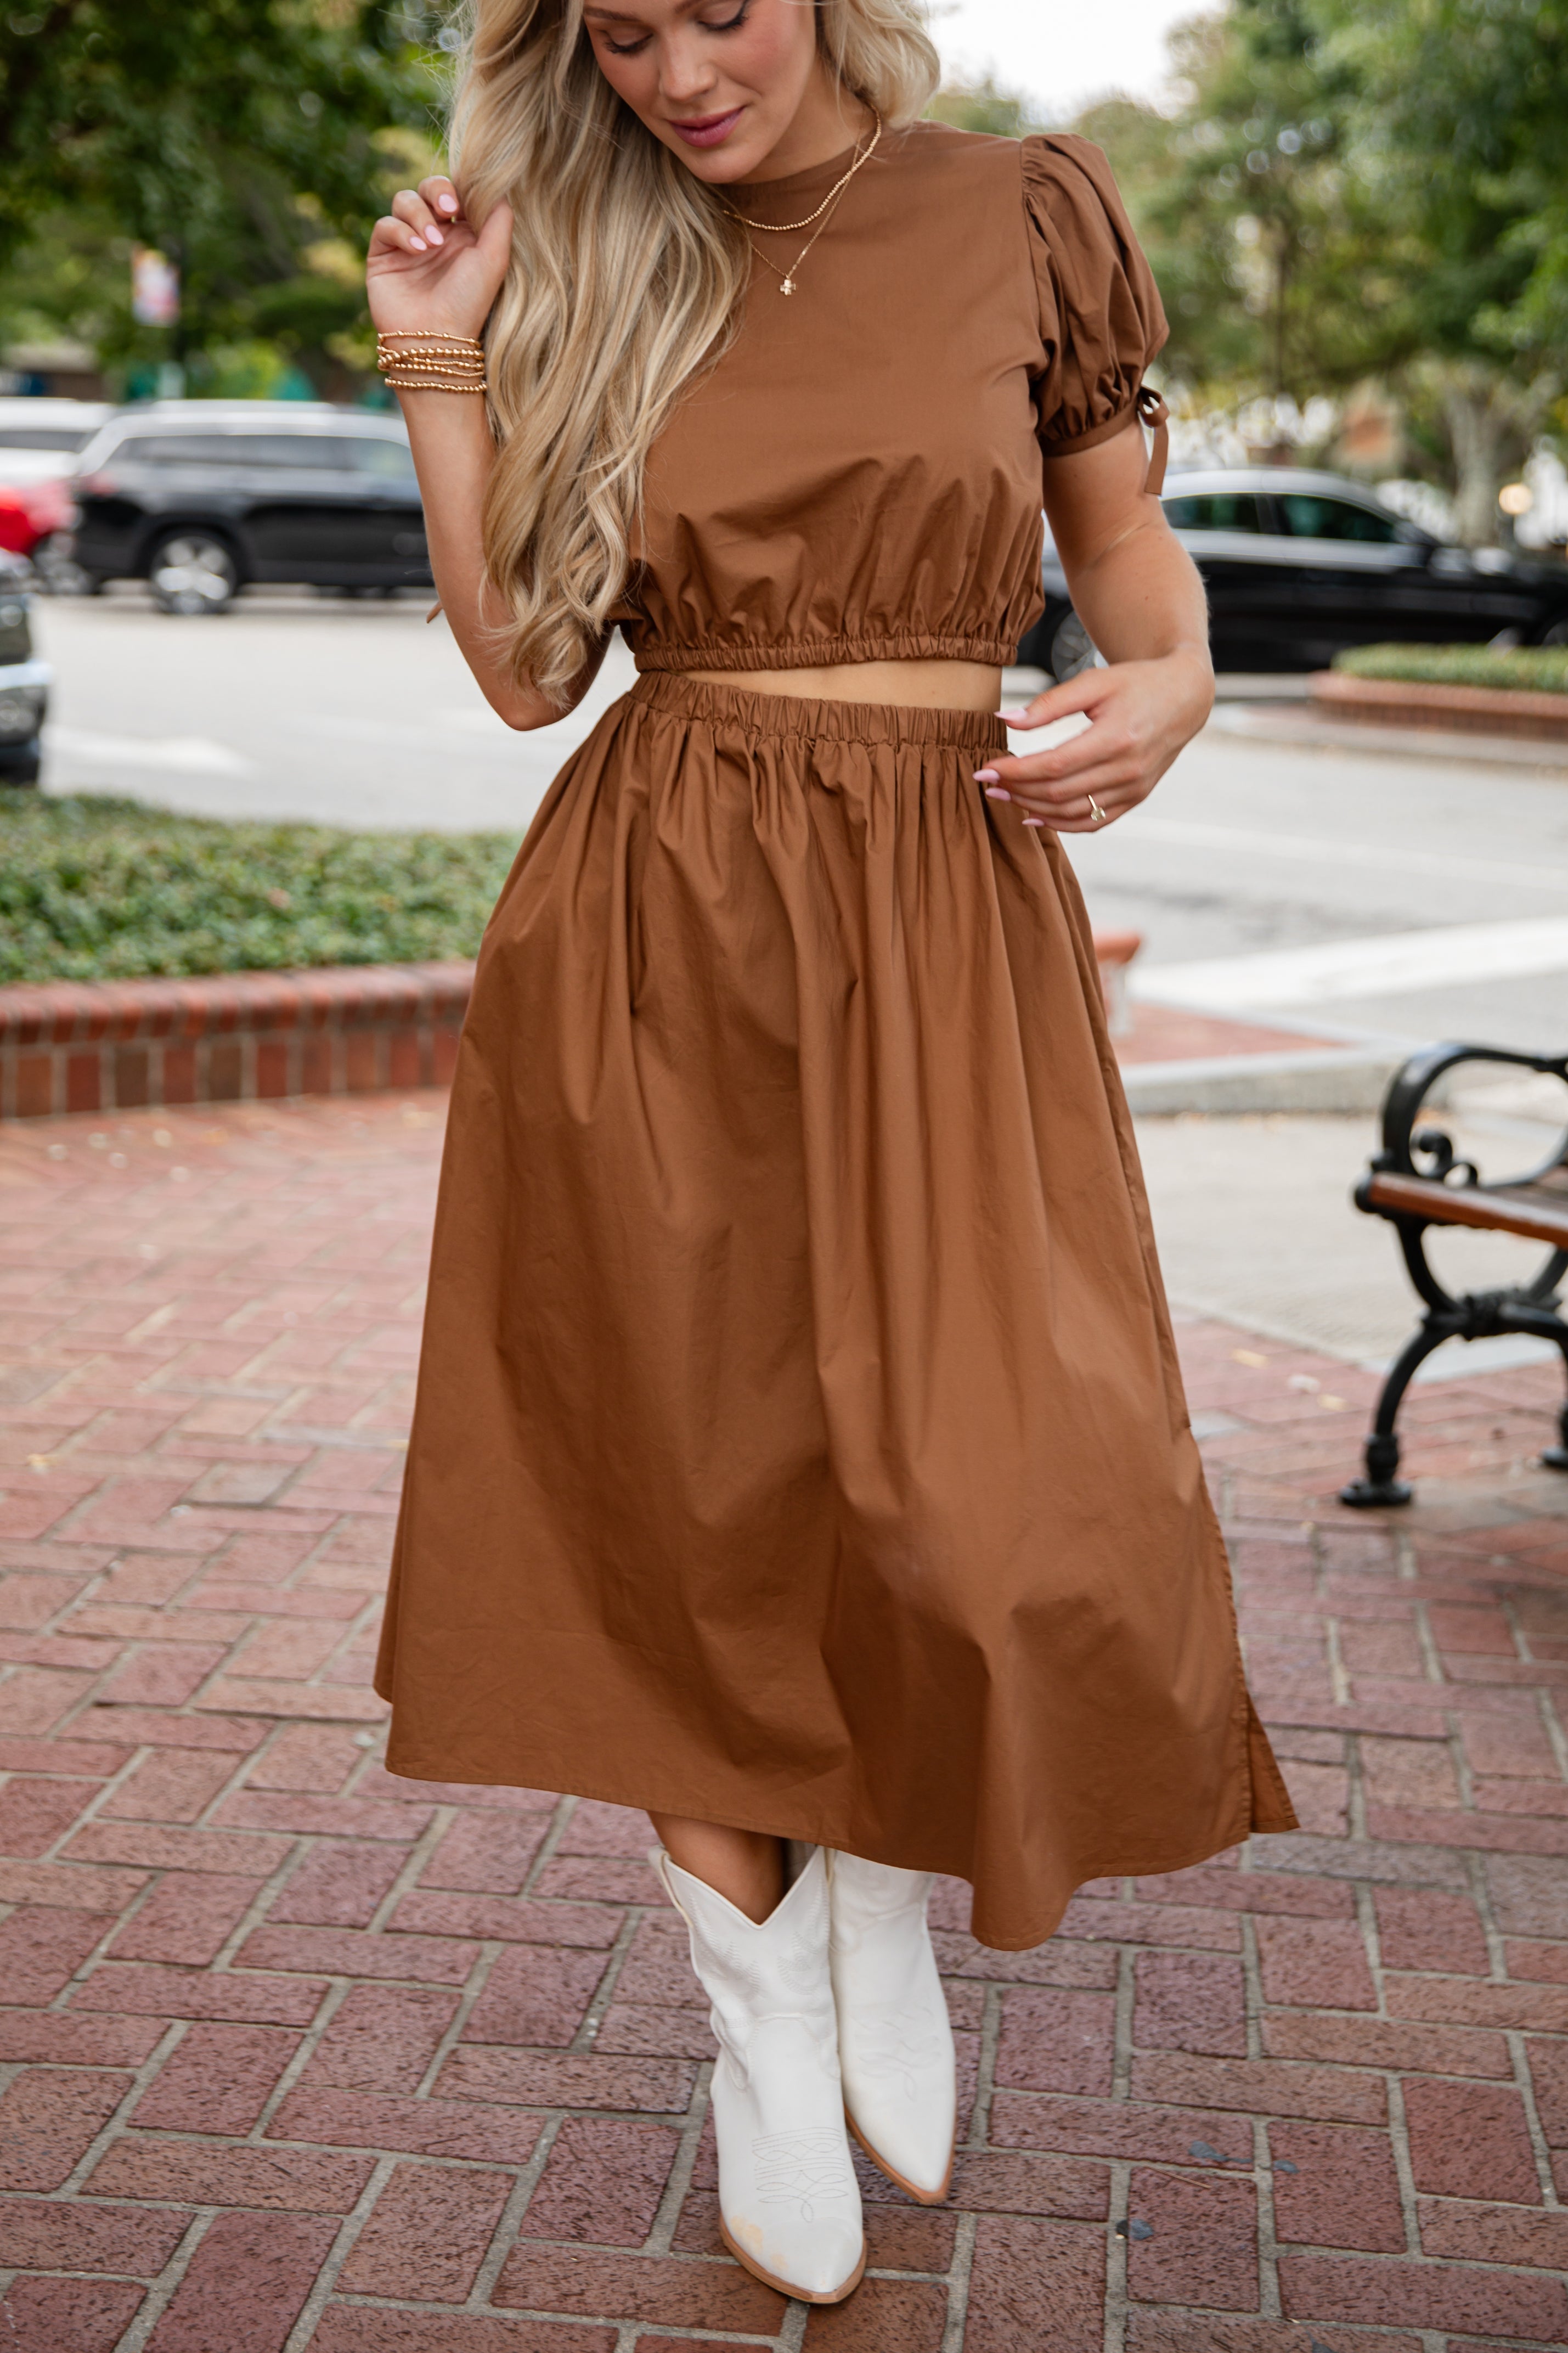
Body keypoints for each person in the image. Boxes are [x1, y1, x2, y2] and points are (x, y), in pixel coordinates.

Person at [368, 0, 1296, 2306]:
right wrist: (438, 361)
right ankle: (756, 2016)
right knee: (677, 1493)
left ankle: (876, 1856)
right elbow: (519, 670)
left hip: (940, 918)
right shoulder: (588, 242)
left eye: (722, 10)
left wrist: (1167, 695)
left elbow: (1135, 572)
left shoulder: (1019, 213)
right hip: (657, 926)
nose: (682, 70)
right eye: (624, 31)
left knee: (995, 1484)